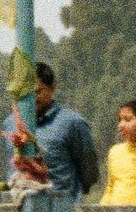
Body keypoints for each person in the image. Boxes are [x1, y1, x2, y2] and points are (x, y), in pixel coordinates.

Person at [6, 60, 102, 201]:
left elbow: (89, 171)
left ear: (52, 88)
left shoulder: (72, 123)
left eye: (37, 92)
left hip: (60, 211)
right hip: (19, 210)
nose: (31, 99)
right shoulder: (10, 123)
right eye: (25, 94)